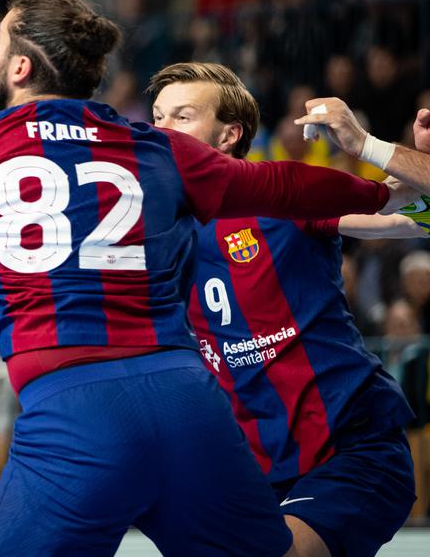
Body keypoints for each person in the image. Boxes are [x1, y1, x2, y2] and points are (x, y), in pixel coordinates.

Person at [0, 0, 414, 555]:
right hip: (190, 403)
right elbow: (288, 185)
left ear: (24, 68)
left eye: (1, 48)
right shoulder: (157, 149)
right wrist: (383, 187)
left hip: (76, 412)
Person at [149, 62, 418, 557]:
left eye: (182, 117)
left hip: (349, 446)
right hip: (251, 466)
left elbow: (416, 217)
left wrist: (375, 150)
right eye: (157, 117)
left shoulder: (282, 196)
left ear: (229, 134)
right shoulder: (154, 233)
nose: (162, 131)